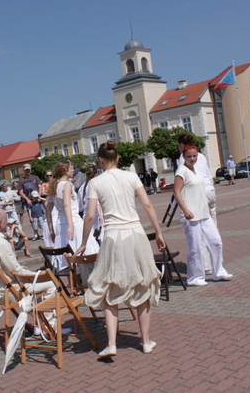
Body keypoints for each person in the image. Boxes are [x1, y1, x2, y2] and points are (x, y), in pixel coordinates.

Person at [77, 140, 166, 359]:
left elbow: (89, 216)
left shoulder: (95, 182)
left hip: (114, 236)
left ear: (100, 160)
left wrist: (83, 241)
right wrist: (159, 232)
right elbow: (147, 205)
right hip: (136, 233)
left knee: (109, 287)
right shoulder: (132, 176)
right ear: (117, 158)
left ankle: (112, 344)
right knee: (142, 284)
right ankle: (145, 341)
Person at [0, 209, 58, 329]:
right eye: (6, 222)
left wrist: (17, 269)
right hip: (8, 290)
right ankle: (50, 327)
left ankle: (41, 324)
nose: (7, 225)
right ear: (0, 222)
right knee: (50, 283)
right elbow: (16, 272)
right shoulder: (0, 242)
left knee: (37, 288)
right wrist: (38, 275)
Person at [173, 145, 233, 286]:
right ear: (184, 157)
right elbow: (177, 192)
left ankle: (218, 271)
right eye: (189, 156)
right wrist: (185, 210)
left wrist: (206, 206)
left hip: (204, 213)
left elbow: (200, 190)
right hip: (191, 215)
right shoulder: (181, 171)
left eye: (194, 156)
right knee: (195, 248)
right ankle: (195, 277)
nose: (192, 159)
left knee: (216, 241)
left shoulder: (196, 170)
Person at [47, 161, 99, 266]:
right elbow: (67, 205)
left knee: (66, 254)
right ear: (65, 171)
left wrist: (51, 229)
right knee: (84, 250)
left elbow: (48, 210)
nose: (73, 170)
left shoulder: (54, 185)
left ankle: (74, 276)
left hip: (60, 224)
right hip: (73, 221)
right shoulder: (67, 185)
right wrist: (71, 225)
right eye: (71, 168)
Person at [78, 165, 103, 246]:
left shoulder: (82, 187)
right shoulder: (96, 185)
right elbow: (97, 203)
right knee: (100, 240)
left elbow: (80, 207)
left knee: (90, 242)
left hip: (86, 216)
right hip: (96, 216)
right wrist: (100, 215)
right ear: (95, 174)